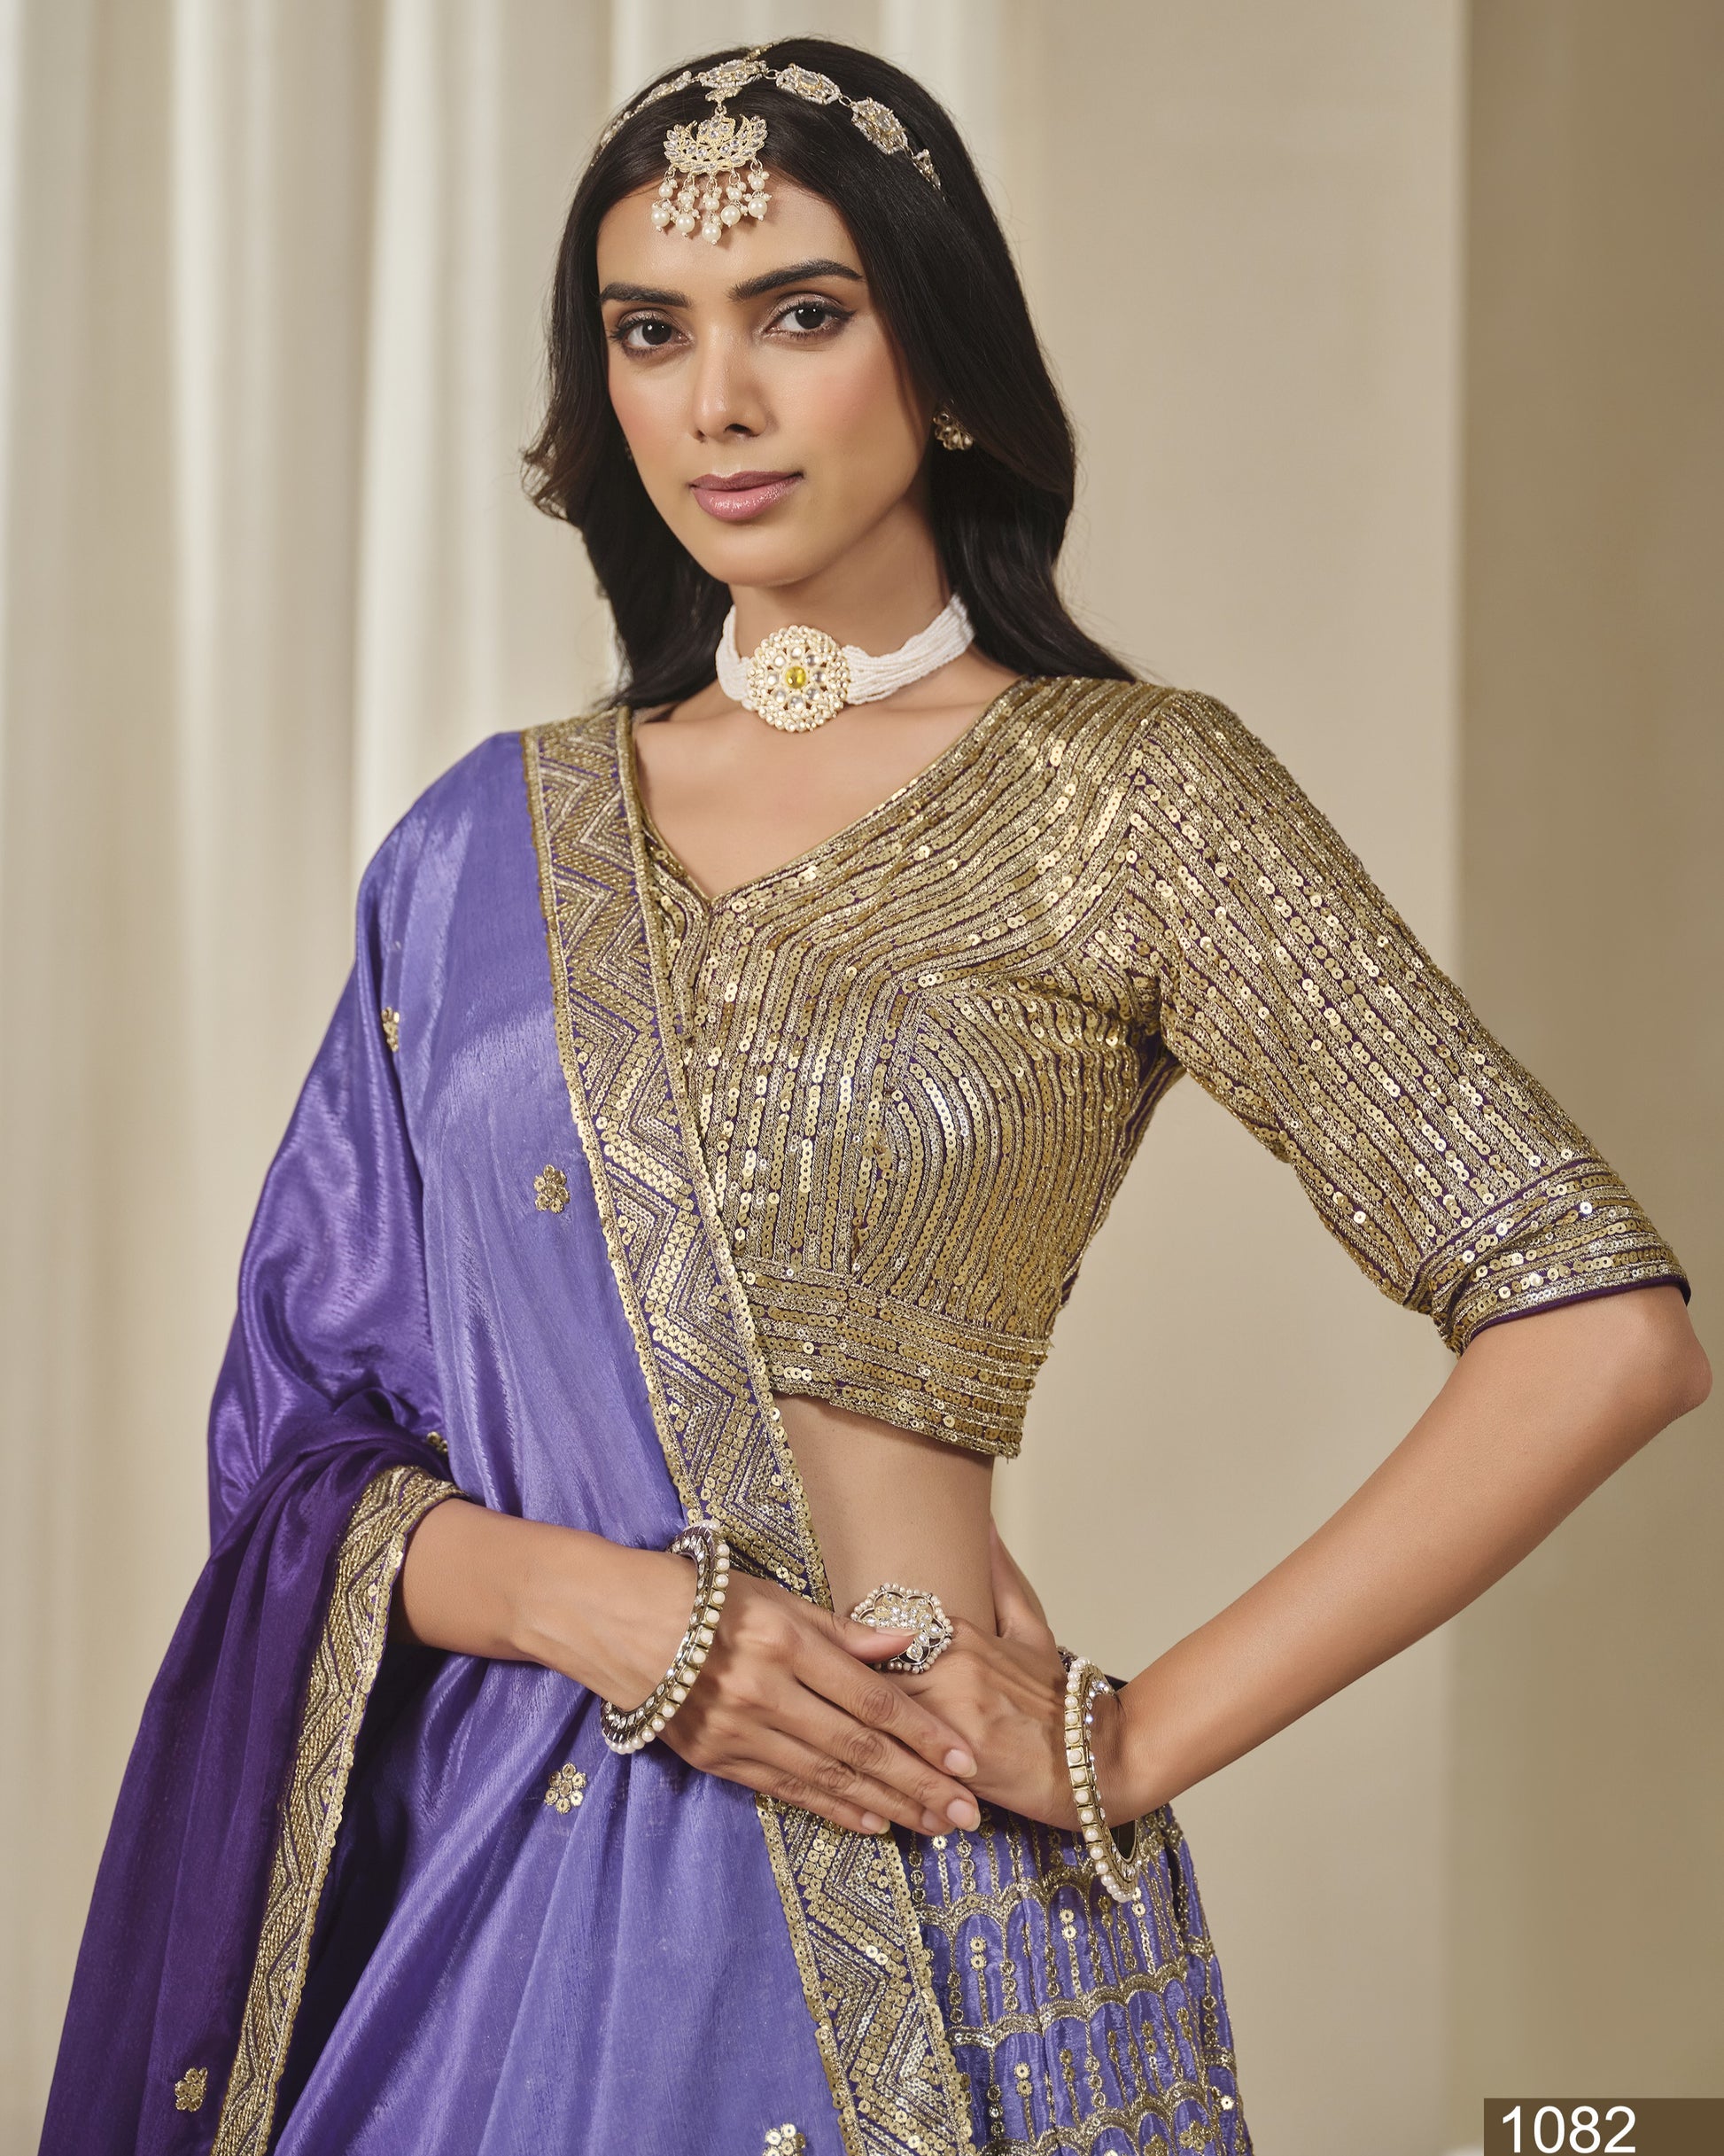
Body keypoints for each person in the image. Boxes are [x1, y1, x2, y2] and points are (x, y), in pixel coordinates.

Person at [43, 37, 1706, 2156]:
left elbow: (1597, 1325)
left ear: (942, 364)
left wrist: (1136, 1732)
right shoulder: (481, 846)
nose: (715, 401)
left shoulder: (1130, 794)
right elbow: (298, 1441)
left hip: (925, 1891)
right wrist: (609, 1602)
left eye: (799, 315)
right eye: (651, 333)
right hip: (491, 1910)